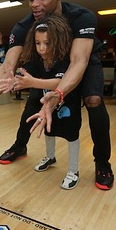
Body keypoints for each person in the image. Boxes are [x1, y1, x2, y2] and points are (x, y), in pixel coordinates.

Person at [0, 0, 114, 190]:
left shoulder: (81, 17)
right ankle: (20, 146)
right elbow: (8, 66)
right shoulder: (24, 26)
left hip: (83, 61)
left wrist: (58, 94)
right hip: (50, 61)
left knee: (93, 100)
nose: (34, 4)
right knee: (33, 102)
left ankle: (103, 162)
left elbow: (78, 61)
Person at [13, 15, 82, 189]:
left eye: (47, 43)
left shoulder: (65, 58)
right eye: (38, 43)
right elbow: (24, 73)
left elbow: (61, 82)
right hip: (48, 105)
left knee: (71, 135)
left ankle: (74, 171)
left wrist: (32, 82)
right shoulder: (36, 59)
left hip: (68, 103)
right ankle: (50, 157)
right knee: (49, 130)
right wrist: (15, 79)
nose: (42, 48)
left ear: (57, 41)